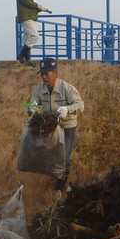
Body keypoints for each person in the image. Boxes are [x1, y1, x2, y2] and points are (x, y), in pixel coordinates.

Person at [29, 58, 84, 191]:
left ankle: (59, 189)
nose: (44, 77)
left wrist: (67, 109)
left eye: (47, 73)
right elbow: (30, 103)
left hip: (67, 126)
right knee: (50, 156)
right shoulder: (39, 89)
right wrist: (32, 107)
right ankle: (54, 178)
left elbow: (80, 105)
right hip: (50, 127)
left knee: (64, 157)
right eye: (42, 74)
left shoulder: (67, 88)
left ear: (56, 73)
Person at [15, 0, 51, 65]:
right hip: (26, 16)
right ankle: (21, 55)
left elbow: (32, 3)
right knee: (35, 36)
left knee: (27, 37)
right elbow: (26, 2)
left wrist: (41, 9)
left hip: (29, 15)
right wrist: (37, 6)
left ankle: (27, 60)